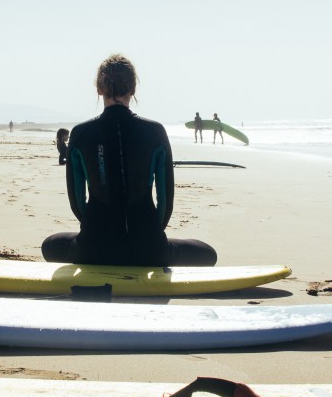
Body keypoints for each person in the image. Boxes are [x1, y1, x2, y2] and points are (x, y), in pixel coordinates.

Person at [41, 54, 218, 266]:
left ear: (99, 88)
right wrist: (149, 235)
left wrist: (95, 230)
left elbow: (77, 202)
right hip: (150, 251)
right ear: (133, 89)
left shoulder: (80, 133)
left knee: (50, 245)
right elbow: (166, 202)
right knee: (208, 253)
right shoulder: (155, 132)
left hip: (92, 250)